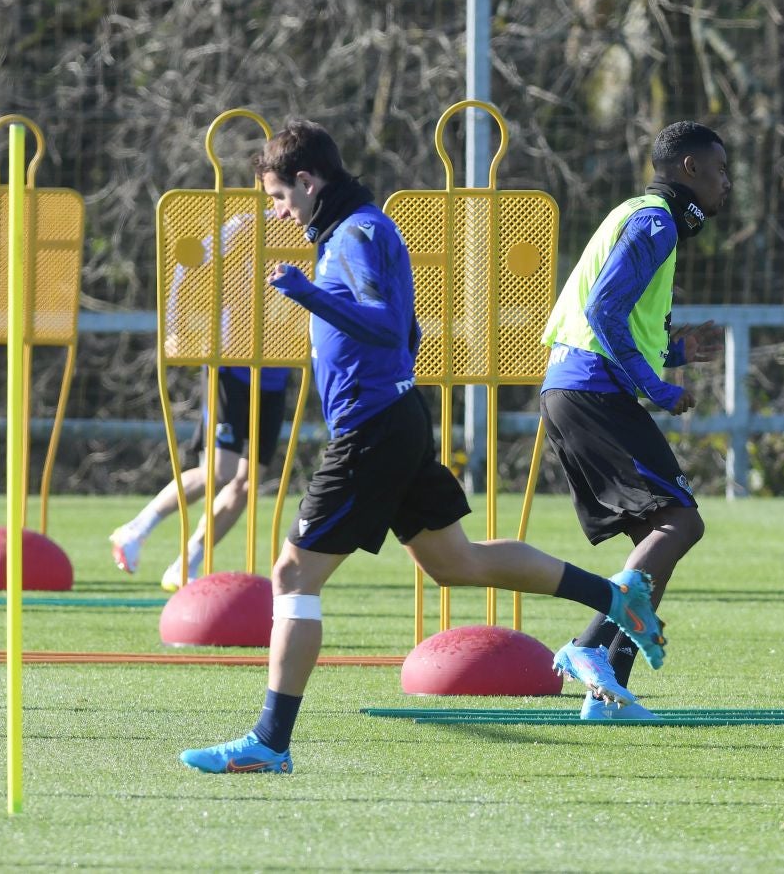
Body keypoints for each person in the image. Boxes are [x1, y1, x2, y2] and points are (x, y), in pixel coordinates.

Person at [180, 119, 666, 773]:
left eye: (278, 198)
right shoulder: (365, 227)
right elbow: (407, 331)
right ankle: (614, 598)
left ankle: (270, 742)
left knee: (292, 574)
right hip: (394, 416)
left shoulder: (353, 235)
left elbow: (385, 325)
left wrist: (308, 296)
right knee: (454, 561)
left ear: (306, 180)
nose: (279, 212)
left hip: (372, 430)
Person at [538, 121, 730, 720]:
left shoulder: (641, 214)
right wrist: (657, 387)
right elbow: (603, 309)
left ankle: (609, 696)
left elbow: (617, 319)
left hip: (575, 389)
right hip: (594, 392)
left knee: (657, 543)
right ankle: (587, 647)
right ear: (689, 169)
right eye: (720, 171)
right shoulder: (655, 221)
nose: (727, 184)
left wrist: (673, 353)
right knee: (682, 524)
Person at [108, 364, 295, 592]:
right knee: (219, 471)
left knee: (246, 484)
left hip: (274, 378)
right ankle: (135, 530)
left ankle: (185, 566)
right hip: (231, 371)